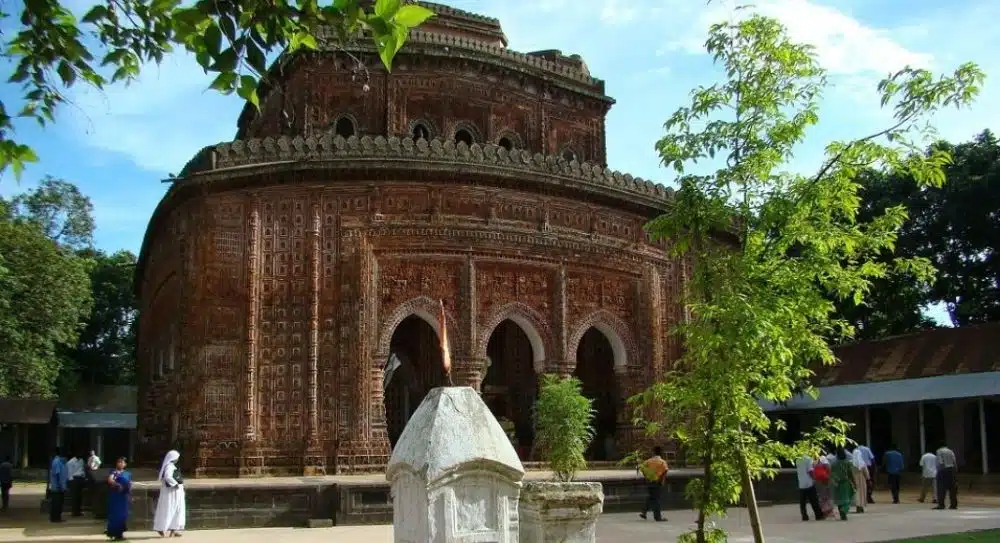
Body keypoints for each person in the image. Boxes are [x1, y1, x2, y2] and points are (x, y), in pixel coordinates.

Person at [153, 450, 186, 537]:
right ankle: (162, 528)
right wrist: (175, 484)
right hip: (171, 492)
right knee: (169, 509)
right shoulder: (169, 466)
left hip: (176, 492)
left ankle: (174, 530)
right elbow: (168, 477)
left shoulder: (172, 466)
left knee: (177, 510)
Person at [638, 446, 668, 522]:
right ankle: (657, 517)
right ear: (661, 453)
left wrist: (646, 476)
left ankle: (644, 512)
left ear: (653, 452)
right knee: (656, 499)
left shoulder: (648, 461)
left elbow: (642, 468)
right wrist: (661, 481)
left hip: (650, 481)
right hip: (658, 481)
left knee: (651, 497)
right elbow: (664, 471)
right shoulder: (662, 462)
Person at [105, 457, 132, 541]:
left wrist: (129, 496)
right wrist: (117, 485)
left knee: (123, 515)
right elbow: (110, 480)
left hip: (124, 497)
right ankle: (113, 533)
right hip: (115, 496)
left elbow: (129, 484)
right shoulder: (114, 472)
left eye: (122, 462)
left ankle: (120, 534)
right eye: (118, 462)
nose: (120, 463)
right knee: (115, 514)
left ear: (125, 464)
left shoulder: (128, 474)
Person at [795, 452, 824, 521]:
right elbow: (810, 471)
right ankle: (818, 515)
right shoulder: (808, 459)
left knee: (803, 502)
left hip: (801, 483)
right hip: (809, 483)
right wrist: (814, 478)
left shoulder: (797, 460)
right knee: (814, 500)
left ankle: (804, 516)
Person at [830, 447, 856, 521]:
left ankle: (842, 514)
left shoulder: (834, 464)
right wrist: (854, 482)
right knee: (847, 499)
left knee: (839, 499)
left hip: (837, 483)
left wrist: (834, 480)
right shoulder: (847, 463)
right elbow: (850, 474)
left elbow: (831, 474)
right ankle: (844, 511)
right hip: (845, 483)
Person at [934, 443, 958, 510]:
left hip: (943, 470)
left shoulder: (939, 451)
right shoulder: (951, 451)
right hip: (951, 470)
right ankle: (953, 505)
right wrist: (955, 472)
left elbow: (940, 462)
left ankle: (941, 505)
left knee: (941, 488)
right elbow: (954, 462)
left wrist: (939, 472)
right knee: (952, 488)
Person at [48, 447, 69, 523]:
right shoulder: (58, 461)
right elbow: (58, 475)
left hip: (57, 486)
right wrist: (62, 486)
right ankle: (55, 518)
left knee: (58, 503)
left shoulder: (58, 461)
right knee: (57, 503)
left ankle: (56, 517)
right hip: (58, 487)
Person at [813, 454, 834, 519]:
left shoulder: (814, 462)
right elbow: (828, 468)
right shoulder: (823, 458)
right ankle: (829, 511)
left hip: (817, 481)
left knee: (821, 496)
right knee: (827, 496)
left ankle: (823, 511)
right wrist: (829, 477)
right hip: (825, 480)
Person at [849, 447, 868, 513]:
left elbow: (849, 472)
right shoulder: (862, 463)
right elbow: (866, 473)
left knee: (856, 493)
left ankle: (858, 507)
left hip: (853, 480)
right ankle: (861, 506)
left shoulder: (851, 463)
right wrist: (868, 478)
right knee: (862, 493)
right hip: (862, 480)